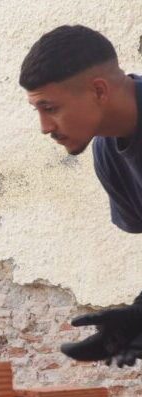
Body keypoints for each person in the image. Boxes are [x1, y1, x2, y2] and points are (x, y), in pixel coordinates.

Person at [20, 25, 142, 366]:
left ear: (99, 90)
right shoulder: (107, 151)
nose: (44, 127)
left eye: (51, 108)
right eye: (38, 111)